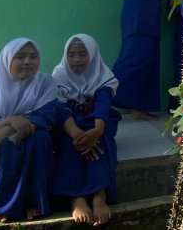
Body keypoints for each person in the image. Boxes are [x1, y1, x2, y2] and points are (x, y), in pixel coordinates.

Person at [0, 38, 57, 223]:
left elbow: (47, 116)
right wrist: (9, 121)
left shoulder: (45, 83)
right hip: (0, 150)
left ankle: (34, 203)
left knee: (39, 139)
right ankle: (1, 206)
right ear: (7, 60)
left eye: (33, 56)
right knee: (3, 146)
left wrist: (7, 128)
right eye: (20, 57)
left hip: (32, 138)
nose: (28, 62)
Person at [51, 34, 121, 226]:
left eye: (82, 54)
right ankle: (77, 197)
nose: (76, 59)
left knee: (102, 137)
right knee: (68, 140)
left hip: (98, 121)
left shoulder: (102, 75)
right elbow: (61, 110)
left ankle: (99, 194)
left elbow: (102, 105)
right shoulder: (59, 76)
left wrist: (96, 131)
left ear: (92, 54)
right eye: (71, 54)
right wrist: (77, 135)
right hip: (69, 124)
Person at [112, 0, 167, 121]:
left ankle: (139, 108)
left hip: (149, 15)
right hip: (137, 16)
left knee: (150, 59)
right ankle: (105, 93)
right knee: (134, 58)